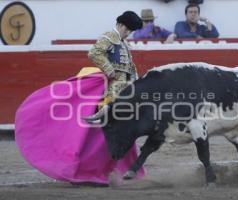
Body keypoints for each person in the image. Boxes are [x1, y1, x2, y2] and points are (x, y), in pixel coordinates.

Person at [14, 11, 145, 187]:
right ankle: (91, 171)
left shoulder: (123, 43)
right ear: (121, 25)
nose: (128, 33)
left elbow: (130, 66)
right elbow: (94, 53)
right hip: (110, 90)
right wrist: (108, 69)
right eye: (127, 29)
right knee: (103, 131)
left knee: (122, 128)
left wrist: (135, 82)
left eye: (131, 31)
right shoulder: (109, 36)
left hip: (122, 89)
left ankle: (111, 170)